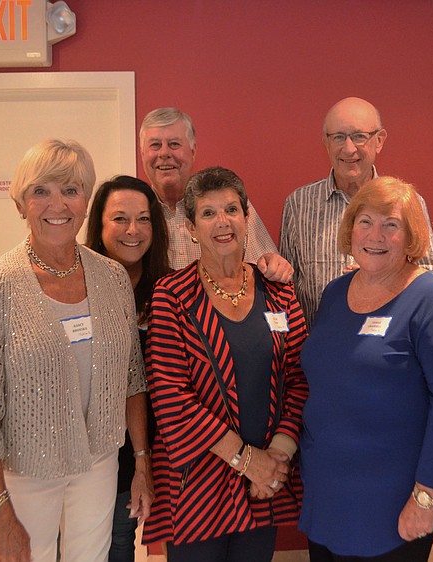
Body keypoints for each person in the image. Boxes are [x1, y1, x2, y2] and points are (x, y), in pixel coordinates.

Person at [0, 139, 146, 562]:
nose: (56, 204)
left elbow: (133, 377)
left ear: (84, 203)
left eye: (71, 190)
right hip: (27, 469)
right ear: (21, 204)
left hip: (99, 462)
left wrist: (141, 459)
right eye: (41, 190)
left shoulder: (113, 278)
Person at [298, 176, 433, 561]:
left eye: (390, 225)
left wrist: (426, 495)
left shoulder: (431, 300)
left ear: (411, 237)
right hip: (329, 488)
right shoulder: (335, 293)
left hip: (393, 497)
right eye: (365, 221)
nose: (374, 235)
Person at [141, 166, 309, 561]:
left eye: (232, 210)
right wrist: (247, 461)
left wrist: (276, 460)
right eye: (209, 213)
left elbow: (300, 380)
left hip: (264, 484)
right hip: (197, 484)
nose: (223, 223)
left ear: (248, 218)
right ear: (190, 228)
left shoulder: (280, 291)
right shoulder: (171, 296)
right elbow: (170, 398)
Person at [280, 97, 433, 326]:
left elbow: (430, 274)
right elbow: (286, 286)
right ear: (326, 142)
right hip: (319, 348)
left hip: (386, 345)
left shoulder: (407, 202)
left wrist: (386, 276)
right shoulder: (298, 204)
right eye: (338, 137)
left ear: (379, 140)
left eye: (359, 137)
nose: (348, 148)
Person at [85, 175, 170, 561]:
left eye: (144, 219)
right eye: (119, 219)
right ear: (99, 226)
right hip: (86, 445)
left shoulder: (168, 289)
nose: (133, 230)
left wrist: (143, 460)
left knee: (121, 541)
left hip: (143, 446)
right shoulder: (77, 286)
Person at [140, 107, 292, 282]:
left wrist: (273, 264)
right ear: (143, 153)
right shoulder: (136, 216)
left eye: (174, 144)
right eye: (155, 145)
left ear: (193, 151)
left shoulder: (232, 208)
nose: (164, 153)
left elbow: (268, 266)